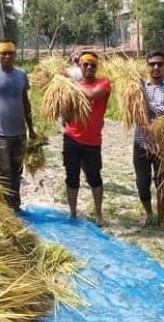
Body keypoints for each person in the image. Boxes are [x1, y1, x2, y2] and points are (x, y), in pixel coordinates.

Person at [0, 39, 36, 212]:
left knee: (17, 172)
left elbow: (26, 103)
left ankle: (15, 205)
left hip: (19, 134)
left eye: (10, 53)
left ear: (15, 55)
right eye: (3, 53)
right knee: (3, 173)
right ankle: (4, 207)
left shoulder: (21, 75)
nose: (7, 56)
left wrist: (31, 129)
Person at [63, 52, 111, 227]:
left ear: (96, 67)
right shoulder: (73, 87)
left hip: (92, 141)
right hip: (71, 139)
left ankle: (98, 214)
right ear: (80, 66)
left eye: (92, 65)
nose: (89, 68)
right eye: (85, 65)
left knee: (94, 178)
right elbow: (66, 114)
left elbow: (91, 95)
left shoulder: (104, 83)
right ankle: (73, 213)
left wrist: (70, 81)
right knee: (72, 177)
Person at [134, 51, 164, 228]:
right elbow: (133, 111)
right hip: (141, 141)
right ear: (147, 66)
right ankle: (149, 214)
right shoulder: (138, 86)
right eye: (152, 64)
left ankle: (160, 218)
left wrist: (145, 103)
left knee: (162, 182)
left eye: (159, 64)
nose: (156, 67)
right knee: (142, 183)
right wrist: (140, 103)